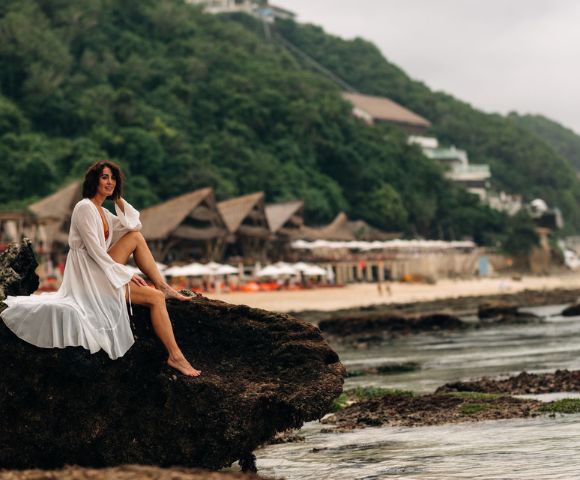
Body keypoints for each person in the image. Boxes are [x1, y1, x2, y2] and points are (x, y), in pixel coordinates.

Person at [1, 161, 201, 377]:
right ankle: (175, 356)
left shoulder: (104, 213)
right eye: (105, 177)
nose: (110, 182)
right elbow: (96, 252)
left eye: (113, 178)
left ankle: (163, 285)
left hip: (100, 270)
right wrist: (126, 274)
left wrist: (117, 199)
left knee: (135, 237)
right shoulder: (84, 207)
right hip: (88, 277)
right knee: (155, 299)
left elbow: (134, 225)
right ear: (94, 180)